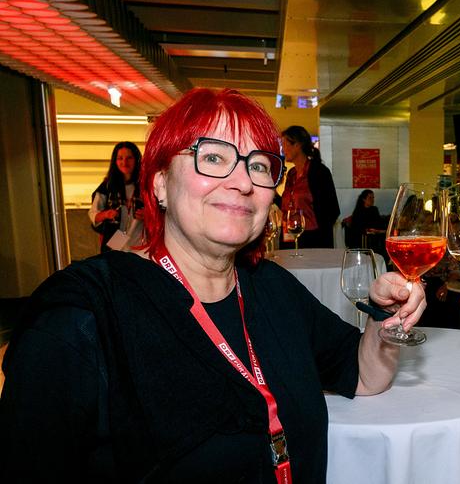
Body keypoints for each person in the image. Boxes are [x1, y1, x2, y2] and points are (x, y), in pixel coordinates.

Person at [0, 88, 425, 483]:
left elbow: (362, 374)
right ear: (160, 183)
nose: (243, 182)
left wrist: (388, 317)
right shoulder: (81, 318)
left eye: (259, 166)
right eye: (214, 157)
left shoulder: (270, 286)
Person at [280, 125, 339, 249]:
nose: (283, 149)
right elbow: (286, 206)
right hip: (290, 237)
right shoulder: (291, 174)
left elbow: (332, 210)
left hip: (313, 239)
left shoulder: (319, 172)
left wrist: (321, 235)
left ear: (297, 145)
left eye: (285, 144)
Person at [88, 141, 144, 252]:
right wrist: (106, 214)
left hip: (140, 240)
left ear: (137, 160)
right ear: (115, 161)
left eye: (129, 158)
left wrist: (149, 215)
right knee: (115, 264)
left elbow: (162, 210)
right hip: (116, 240)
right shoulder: (108, 186)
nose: (124, 162)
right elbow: (93, 215)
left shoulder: (146, 184)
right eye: (120, 158)